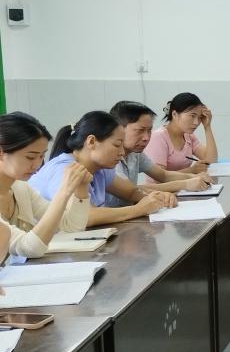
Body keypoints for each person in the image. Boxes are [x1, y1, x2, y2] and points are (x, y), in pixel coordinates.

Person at [29, 111, 178, 225]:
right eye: (117, 145)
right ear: (91, 141)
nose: (122, 152)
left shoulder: (100, 169)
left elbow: (131, 192)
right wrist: (139, 209)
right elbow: (85, 216)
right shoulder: (64, 170)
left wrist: (157, 197)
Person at [0, 111, 93, 258]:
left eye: (42, 156)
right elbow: (29, 248)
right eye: (30, 157)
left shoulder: (21, 189)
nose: (37, 165)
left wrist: (81, 189)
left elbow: (71, 227)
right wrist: (64, 191)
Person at [107, 101, 212, 208]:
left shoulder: (135, 153)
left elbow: (163, 175)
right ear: (118, 130)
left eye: (149, 130)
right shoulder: (110, 159)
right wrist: (186, 183)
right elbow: (132, 191)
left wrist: (193, 177)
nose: (146, 137)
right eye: (140, 130)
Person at [144, 92, 218, 173]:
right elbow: (158, 177)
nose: (196, 122)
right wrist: (191, 170)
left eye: (200, 117)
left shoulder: (188, 136)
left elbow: (211, 161)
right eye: (192, 116)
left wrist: (207, 127)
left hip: (187, 182)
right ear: (174, 114)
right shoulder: (158, 137)